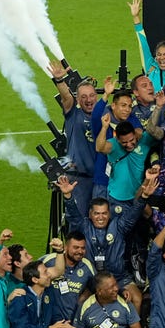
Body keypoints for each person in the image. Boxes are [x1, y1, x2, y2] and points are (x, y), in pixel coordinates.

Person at [60, 175, 156, 313]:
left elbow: (133, 214)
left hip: (118, 277)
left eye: (104, 213)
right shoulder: (84, 226)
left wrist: (144, 197)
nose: (101, 217)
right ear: (90, 214)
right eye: (97, 213)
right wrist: (68, 195)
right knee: (80, 301)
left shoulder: (118, 226)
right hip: (91, 280)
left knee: (136, 298)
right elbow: (74, 215)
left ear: (109, 214)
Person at [48, 61, 97, 217]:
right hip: (78, 180)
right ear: (77, 100)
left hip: (101, 180)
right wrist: (59, 81)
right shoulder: (73, 114)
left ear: (97, 96)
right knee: (78, 223)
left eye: (91, 95)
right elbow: (66, 97)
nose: (88, 100)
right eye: (83, 97)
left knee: (101, 222)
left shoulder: (106, 114)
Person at [42, 231, 96, 328]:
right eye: (76, 247)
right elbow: (30, 275)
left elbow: (96, 287)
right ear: (66, 247)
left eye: (83, 248)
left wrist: (84, 296)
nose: (80, 251)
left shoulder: (87, 266)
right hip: (47, 326)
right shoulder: (48, 261)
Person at [8, 260, 76, 328]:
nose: (49, 274)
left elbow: (54, 314)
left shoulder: (48, 292)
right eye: (45, 272)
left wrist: (62, 324)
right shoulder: (20, 298)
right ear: (35, 279)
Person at [73, 271, 144, 328]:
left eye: (116, 284)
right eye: (111, 287)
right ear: (99, 291)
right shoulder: (85, 307)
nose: (116, 288)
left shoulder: (124, 302)